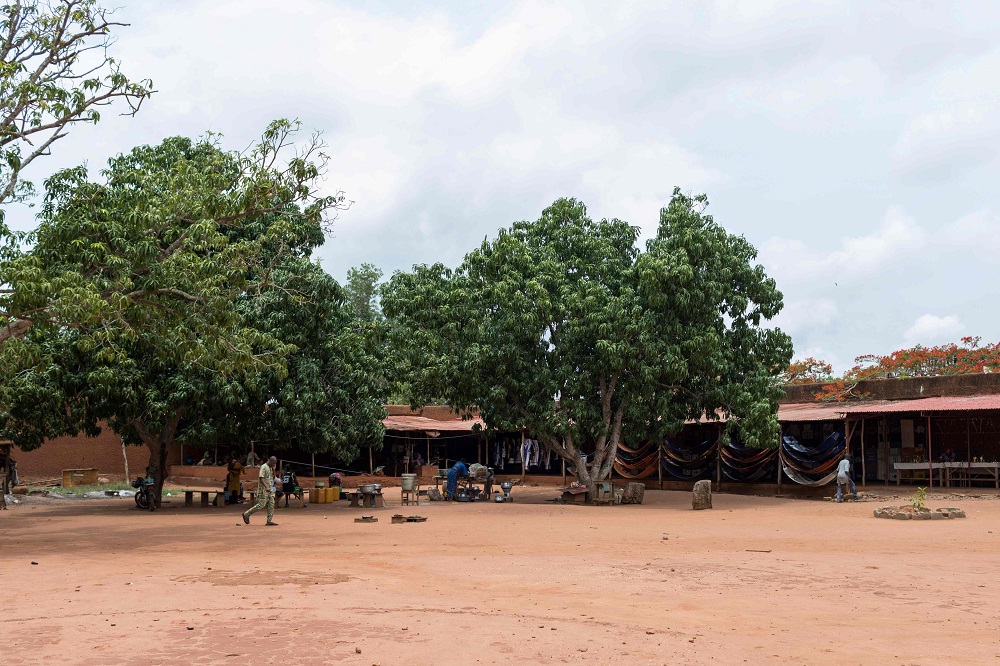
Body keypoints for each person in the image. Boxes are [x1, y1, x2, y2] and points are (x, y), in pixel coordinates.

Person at [243, 456, 278, 526]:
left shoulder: (271, 468)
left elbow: (274, 477)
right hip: (264, 489)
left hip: (270, 489)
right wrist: (266, 486)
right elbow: (261, 478)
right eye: (273, 463)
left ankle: (269, 520)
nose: (274, 465)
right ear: (270, 461)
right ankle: (246, 514)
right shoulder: (263, 467)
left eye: (275, 464)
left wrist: (274, 469)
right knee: (261, 505)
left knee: (271, 504)